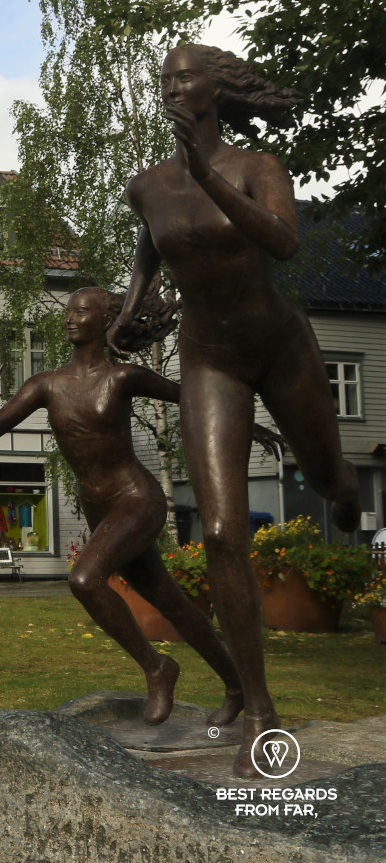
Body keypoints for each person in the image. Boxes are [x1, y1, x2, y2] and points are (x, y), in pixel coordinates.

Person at [111, 44, 361, 776]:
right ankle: (259, 711)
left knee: (325, 481)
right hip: (209, 357)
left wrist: (205, 177)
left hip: (279, 346)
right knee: (221, 529)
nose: (170, 86)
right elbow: (147, 253)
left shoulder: (257, 166)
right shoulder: (146, 185)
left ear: (214, 89)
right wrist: (129, 313)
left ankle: (345, 498)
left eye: (183, 75)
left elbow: (282, 241)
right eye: (163, 77)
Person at [0, 287, 243, 729]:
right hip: (100, 508)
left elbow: (194, 397)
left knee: (84, 579)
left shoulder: (123, 377)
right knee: (171, 602)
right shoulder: (46, 384)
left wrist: (246, 425)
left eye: (81, 311)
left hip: (136, 499)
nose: (70, 318)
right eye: (69, 311)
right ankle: (237, 684)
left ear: (105, 321)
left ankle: (157, 668)